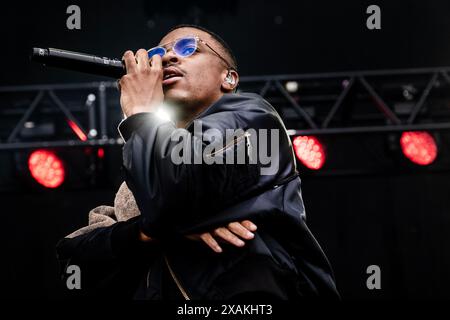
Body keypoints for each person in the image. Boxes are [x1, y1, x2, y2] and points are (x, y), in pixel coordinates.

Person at [56, 24, 339, 300]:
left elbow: (171, 195)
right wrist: (146, 232)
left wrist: (140, 112)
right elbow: (74, 262)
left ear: (228, 79)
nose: (167, 58)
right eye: (157, 53)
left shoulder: (254, 118)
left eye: (188, 48)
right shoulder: (139, 180)